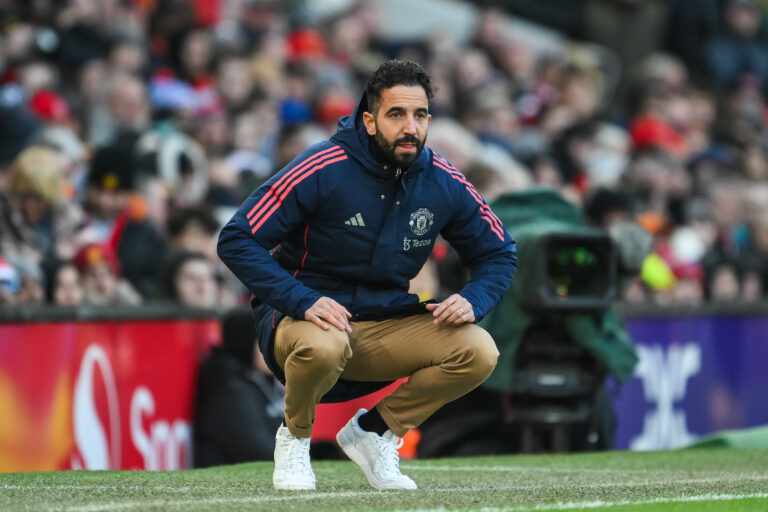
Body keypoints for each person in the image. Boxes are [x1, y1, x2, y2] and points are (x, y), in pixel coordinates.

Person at [217, 60, 517, 491]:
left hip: (380, 322)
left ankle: (375, 433)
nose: (410, 126)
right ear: (370, 121)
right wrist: (300, 299)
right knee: (324, 344)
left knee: (478, 351)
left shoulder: (444, 181)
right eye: (397, 115)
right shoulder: (323, 165)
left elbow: (500, 251)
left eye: (420, 115)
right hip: (300, 322)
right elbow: (237, 237)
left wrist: (475, 299)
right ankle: (295, 438)